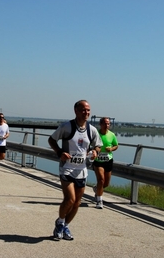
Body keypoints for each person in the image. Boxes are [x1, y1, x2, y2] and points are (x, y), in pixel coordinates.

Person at [48, 100, 102, 240]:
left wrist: (95, 152)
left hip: (82, 170)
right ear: (76, 111)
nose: (86, 113)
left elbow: (98, 146)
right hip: (67, 168)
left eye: (88, 110)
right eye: (83, 110)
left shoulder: (92, 130)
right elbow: (51, 140)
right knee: (70, 199)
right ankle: (59, 222)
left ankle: (65, 225)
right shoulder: (67, 126)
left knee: (78, 201)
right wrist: (60, 152)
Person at [92, 117, 119, 209]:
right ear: (100, 124)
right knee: (101, 180)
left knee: (106, 184)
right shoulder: (96, 134)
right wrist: (94, 151)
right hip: (98, 161)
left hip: (108, 160)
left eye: (108, 124)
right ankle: (99, 201)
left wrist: (111, 149)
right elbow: (91, 145)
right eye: (105, 123)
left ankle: (96, 189)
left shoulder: (112, 135)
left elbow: (116, 145)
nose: (107, 125)